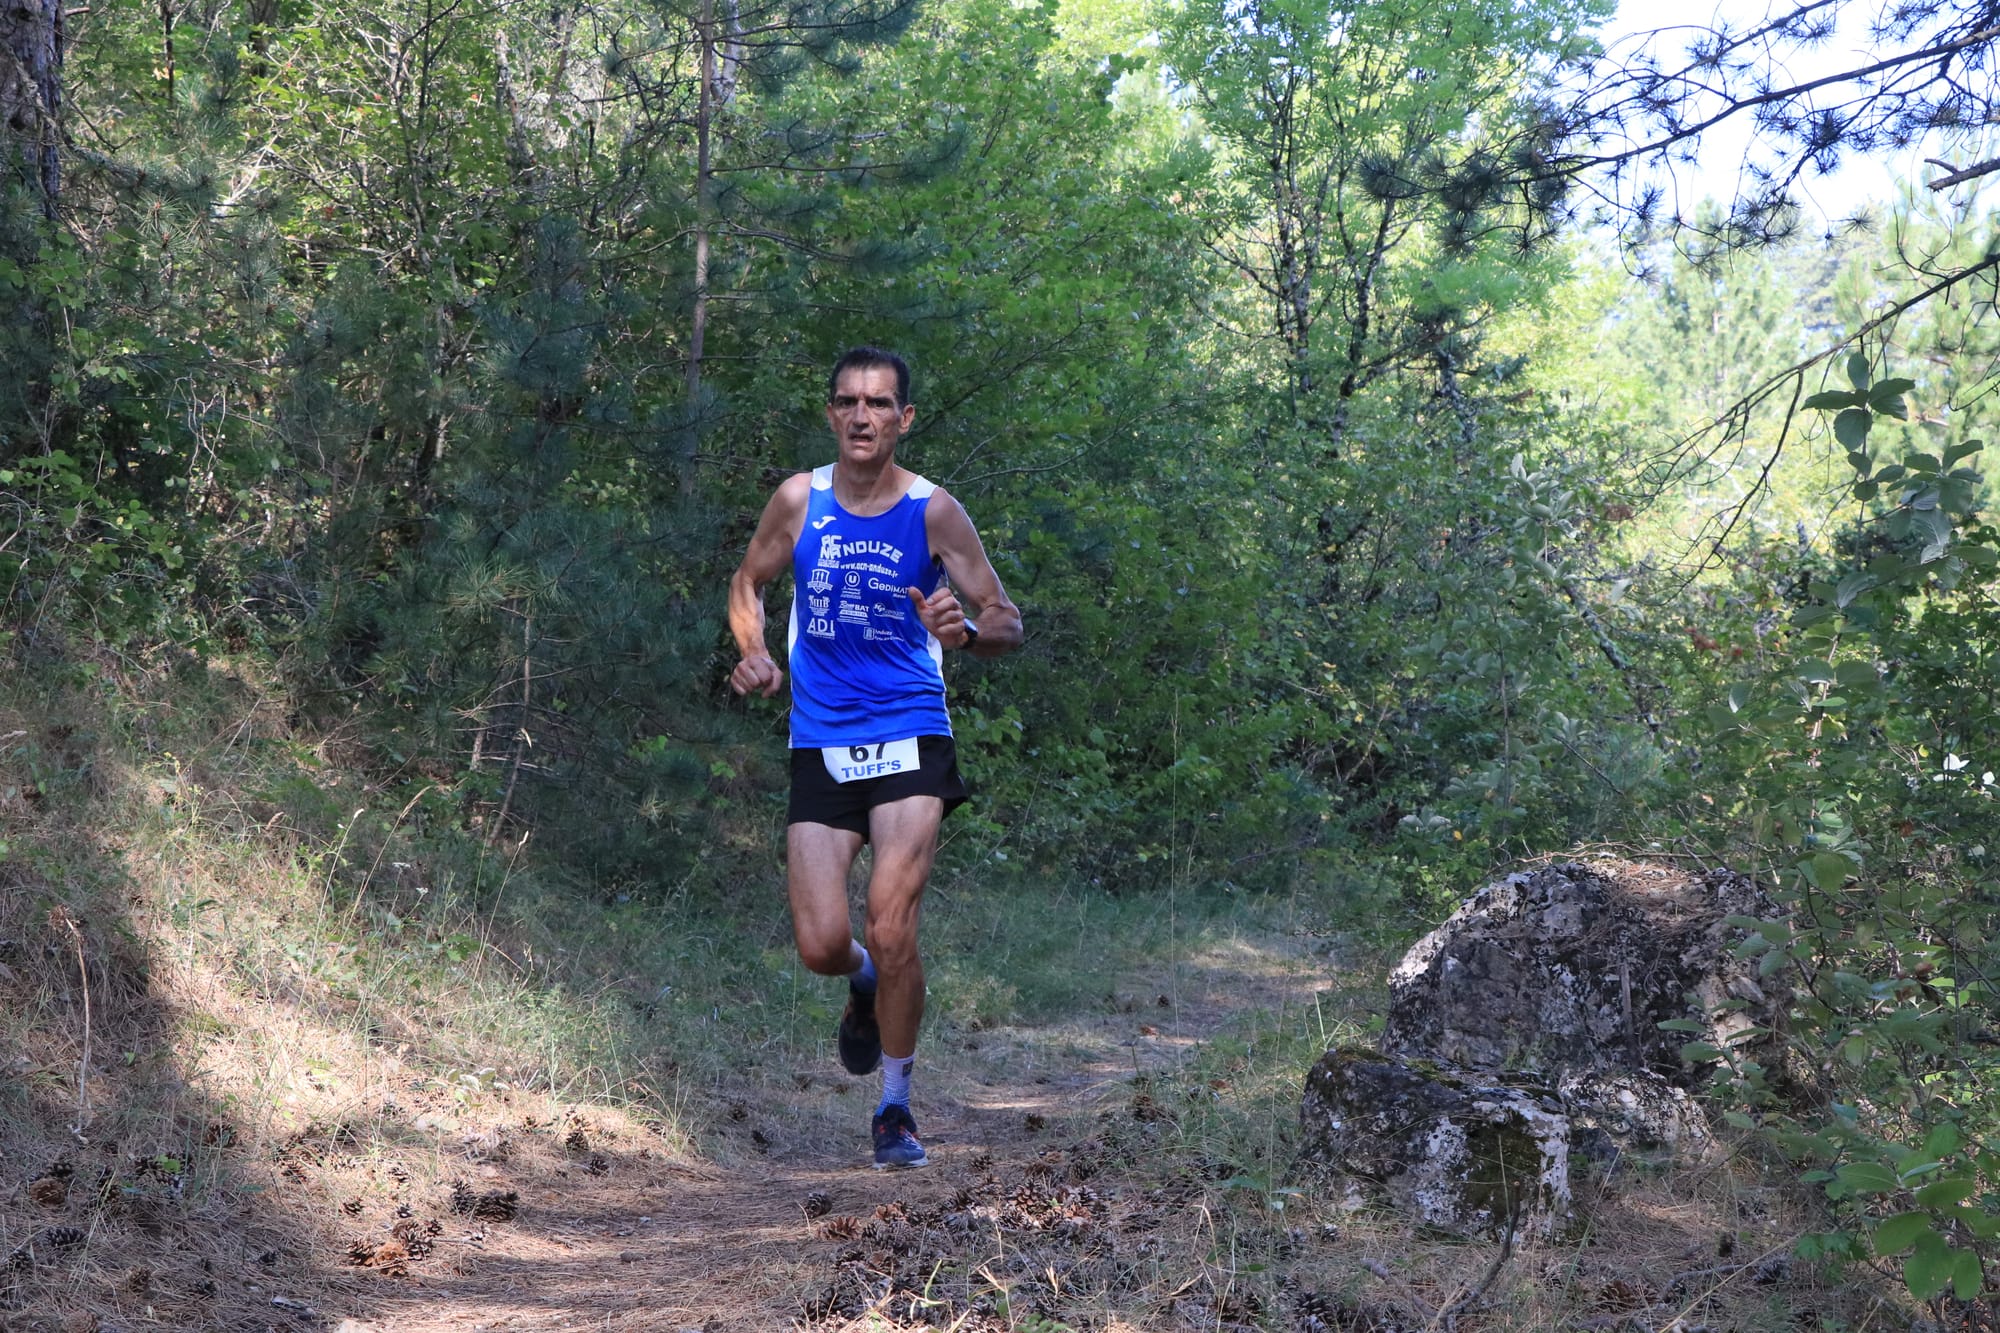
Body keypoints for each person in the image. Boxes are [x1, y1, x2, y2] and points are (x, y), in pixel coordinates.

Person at [726, 347, 1023, 1168]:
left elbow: (1005, 618)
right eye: (849, 401)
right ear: (832, 413)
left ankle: (895, 1105)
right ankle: (860, 982)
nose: (863, 415)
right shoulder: (800, 499)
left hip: (909, 734)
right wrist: (754, 652)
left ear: (904, 418)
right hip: (820, 738)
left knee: (892, 925)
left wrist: (966, 631)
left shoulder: (934, 511)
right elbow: (748, 583)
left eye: (880, 402)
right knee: (823, 944)